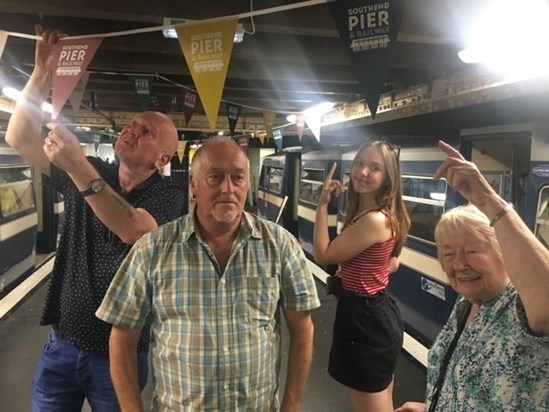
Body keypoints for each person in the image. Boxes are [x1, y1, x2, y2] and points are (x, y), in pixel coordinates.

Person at [5, 25, 185, 411]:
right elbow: (19, 138)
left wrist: (76, 167)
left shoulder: (170, 195)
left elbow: (135, 229)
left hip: (120, 356)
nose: (131, 129)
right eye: (131, 124)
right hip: (62, 345)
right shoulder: (92, 170)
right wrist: (41, 74)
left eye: (146, 131)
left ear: (163, 159)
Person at [96, 137, 321, 411]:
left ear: (247, 184)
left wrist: (292, 405)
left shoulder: (281, 246)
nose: (228, 188)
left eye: (238, 178)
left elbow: (302, 329)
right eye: (215, 177)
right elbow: (122, 337)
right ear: (193, 186)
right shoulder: (153, 249)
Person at [395, 141, 549, 412]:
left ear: (503, 251)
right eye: (449, 254)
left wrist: (488, 200)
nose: (460, 264)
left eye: (472, 250)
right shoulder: (467, 304)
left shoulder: (519, 305)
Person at [313, 140, 410, 412]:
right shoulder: (374, 213)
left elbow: (323, 255)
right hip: (371, 316)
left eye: (374, 167)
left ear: (388, 178)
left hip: (365, 322)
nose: (363, 172)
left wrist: (322, 206)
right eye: (359, 163)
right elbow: (392, 263)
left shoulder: (374, 220)